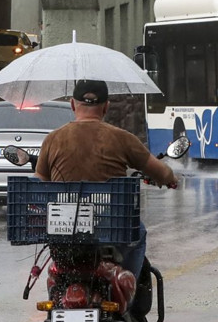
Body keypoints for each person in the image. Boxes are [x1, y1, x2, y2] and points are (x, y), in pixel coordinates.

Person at [35, 79, 179, 282]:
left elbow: (39, 180)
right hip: (110, 226)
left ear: (72, 104)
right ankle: (128, 286)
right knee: (139, 233)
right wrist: (171, 178)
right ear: (106, 106)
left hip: (64, 227)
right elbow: (161, 173)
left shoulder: (53, 139)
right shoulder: (122, 138)